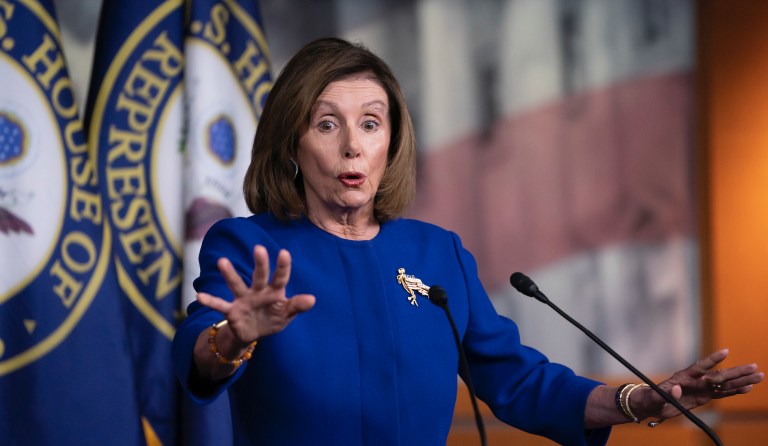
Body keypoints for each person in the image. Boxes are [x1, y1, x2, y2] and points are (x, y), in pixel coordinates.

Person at [172, 37, 763, 445]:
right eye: (327, 124)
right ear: (292, 142)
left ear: (391, 143)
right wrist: (232, 339)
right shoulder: (249, 246)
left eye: (371, 123)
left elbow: (518, 381)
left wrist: (640, 400)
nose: (352, 145)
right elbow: (195, 353)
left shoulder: (437, 255)